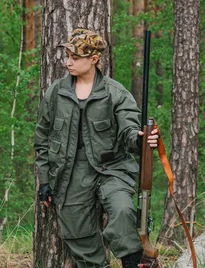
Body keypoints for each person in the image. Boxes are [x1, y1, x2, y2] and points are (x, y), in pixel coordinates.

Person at [34, 28, 159, 268]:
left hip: (112, 167)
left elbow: (129, 129)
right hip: (70, 172)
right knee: (75, 226)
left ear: (93, 59)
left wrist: (141, 140)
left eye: (75, 57)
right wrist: (45, 180)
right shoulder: (56, 93)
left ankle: (133, 262)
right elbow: (42, 139)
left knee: (122, 210)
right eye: (67, 56)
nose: (67, 62)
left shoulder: (115, 93)